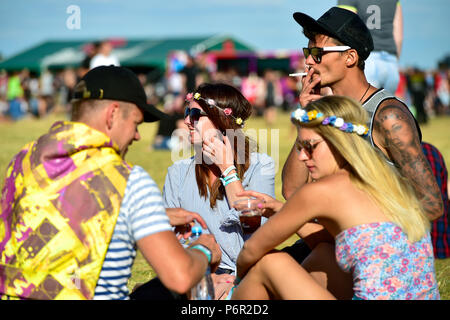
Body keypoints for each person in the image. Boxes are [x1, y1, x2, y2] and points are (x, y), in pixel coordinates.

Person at [0, 65, 221, 300]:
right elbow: (181, 277)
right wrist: (204, 248)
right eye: (136, 124)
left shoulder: (24, 160)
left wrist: (155, 215)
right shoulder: (126, 179)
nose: (136, 136)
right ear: (112, 114)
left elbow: (60, 205)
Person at [280, 5, 443, 275]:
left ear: (350, 57)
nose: (308, 62)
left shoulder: (388, 116)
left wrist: (368, 240)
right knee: (260, 270)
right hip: (331, 245)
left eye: (318, 53)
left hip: (374, 258)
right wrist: (307, 117)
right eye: (308, 52)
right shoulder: (326, 115)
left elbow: (432, 205)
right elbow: (291, 191)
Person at [232, 95, 440, 300]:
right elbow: (335, 240)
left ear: (339, 142)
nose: (303, 157)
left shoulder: (321, 191)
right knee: (323, 253)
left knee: (270, 264)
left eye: (310, 147)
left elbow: (251, 249)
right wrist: (280, 209)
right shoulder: (386, 178)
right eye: (299, 148)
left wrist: (237, 281)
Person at [163, 82, 276, 299]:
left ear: (221, 120)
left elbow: (258, 231)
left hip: (248, 276)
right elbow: (169, 240)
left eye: (195, 114)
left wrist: (228, 170)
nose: (187, 121)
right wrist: (205, 276)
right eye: (187, 112)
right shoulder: (177, 172)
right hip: (194, 273)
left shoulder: (260, 167)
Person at [338, 0, 403, 94]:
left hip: (367, 60)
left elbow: (346, 28)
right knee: (386, 107)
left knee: (361, 107)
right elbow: (398, 37)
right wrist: (395, 62)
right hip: (391, 63)